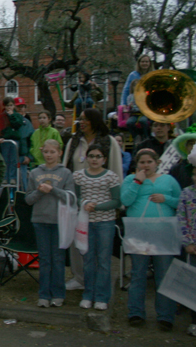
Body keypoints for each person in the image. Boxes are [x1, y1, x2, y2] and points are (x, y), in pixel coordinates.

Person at [63, 108, 123, 291]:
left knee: (99, 245)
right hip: (78, 200)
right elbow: (67, 167)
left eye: (85, 119)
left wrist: (117, 202)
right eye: (80, 119)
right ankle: (79, 278)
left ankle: (98, 281)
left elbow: (116, 171)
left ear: (95, 121)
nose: (81, 122)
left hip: (101, 202)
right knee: (77, 241)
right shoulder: (74, 141)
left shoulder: (109, 142)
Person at [121, 148, 181, 331]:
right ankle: (136, 312)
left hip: (164, 233)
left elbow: (182, 201)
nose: (146, 165)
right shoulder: (131, 179)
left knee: (163, 274)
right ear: (137, 164)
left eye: (149, 162)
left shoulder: (169, 180)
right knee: (138, 274)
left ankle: (165, 315)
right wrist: (138, 181)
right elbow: (125, 200)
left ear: (157, 163)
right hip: (139, 233)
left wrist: (167, 198)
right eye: (142, 162)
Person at [25, 139, 74, 307]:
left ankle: (58, 294)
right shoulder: (35, 173)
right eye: (46, 152)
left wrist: (53, 189)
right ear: (42, 152)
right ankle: (44, 295)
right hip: (40, 220)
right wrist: (39, 191)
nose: (49, 155)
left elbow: (70, 198)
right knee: (45, 259)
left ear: (59, 153)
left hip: (60, 221)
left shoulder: (66, 173)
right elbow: (28, 199)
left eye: (52, 152)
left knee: (58, 259)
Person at [73, 144, 121, 310]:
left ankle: (102, 297)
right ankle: (88, 295)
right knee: (87, 260)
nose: (94, 159)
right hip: (85, 223)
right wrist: (84, 203)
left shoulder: (111, 177)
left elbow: (116, 201)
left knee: (103, 261)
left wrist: (97, 207)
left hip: (105, 222)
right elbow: (76, 197)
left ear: (104, 159)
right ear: (87, 158)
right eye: (91, 156)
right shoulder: (78, 176)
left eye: (98, 156)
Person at [176, 165, 196, 337]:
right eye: (195, 175)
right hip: (193, 247)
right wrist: (187, 242)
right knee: (194, 285)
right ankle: (195, 321)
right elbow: (181, 218)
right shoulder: (187, 192)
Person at [0, 97, 25, 186]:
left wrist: (12, 115)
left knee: (13, 160)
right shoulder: (1, 116)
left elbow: (17, 124)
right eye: (8, 106)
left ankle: (13, 177)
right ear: (5, 106)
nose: (9, 107)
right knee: (5, 159)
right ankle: (4, 178)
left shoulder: (17, 115)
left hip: (14, 140)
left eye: (11, 105)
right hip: (5, 140)